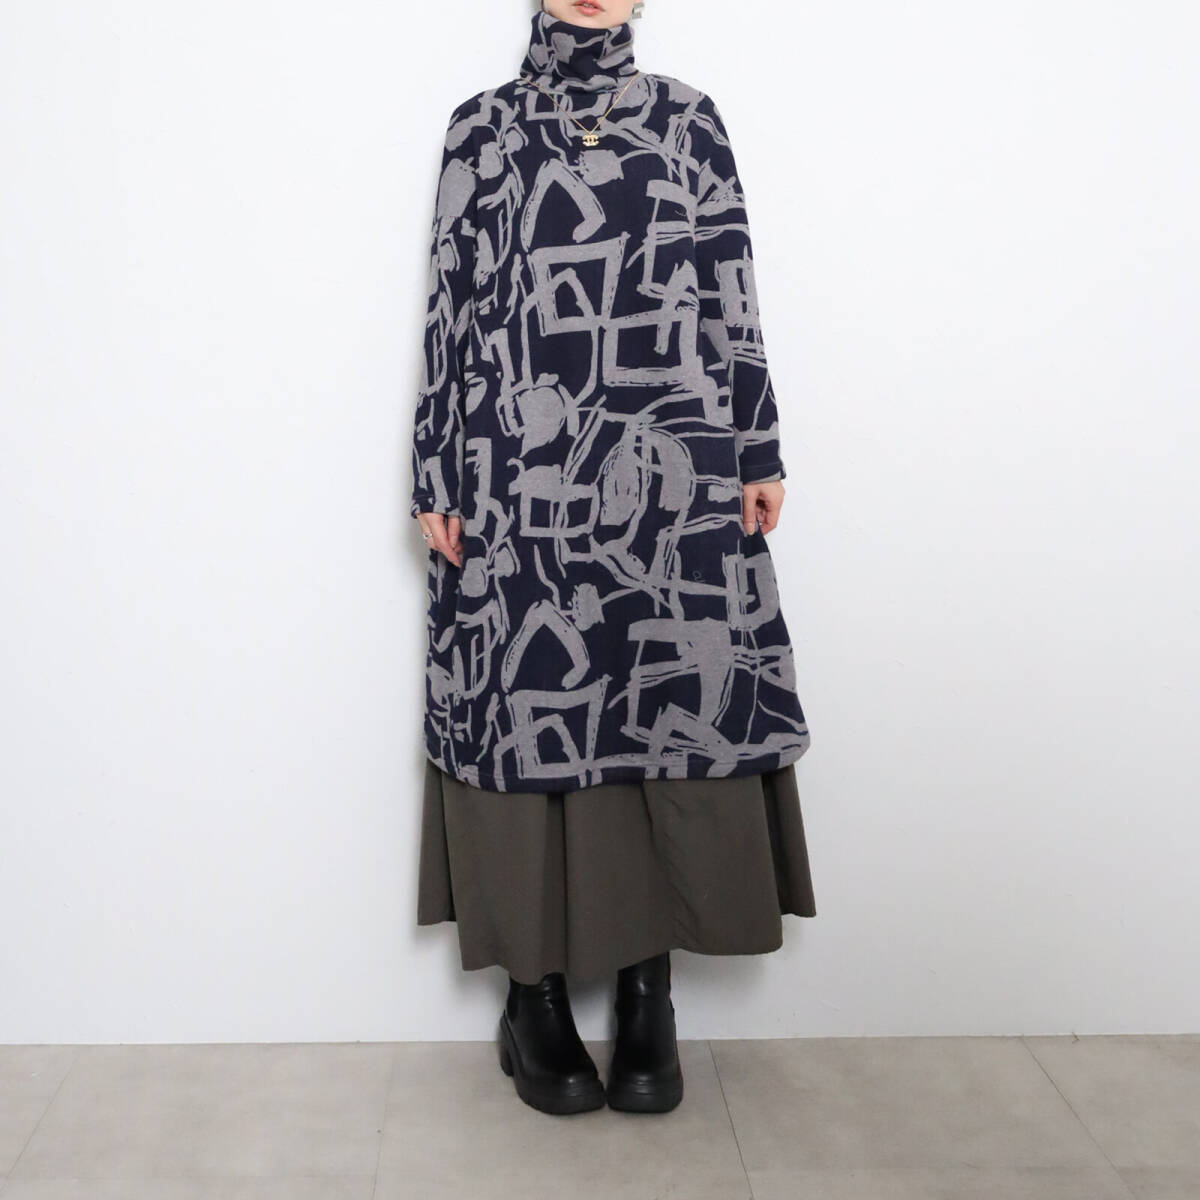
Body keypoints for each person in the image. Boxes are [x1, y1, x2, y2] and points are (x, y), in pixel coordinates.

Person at [410, 0, 817, 1116]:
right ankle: (533, 1001)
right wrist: (436, 469)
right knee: (528, 702)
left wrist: (758, 445)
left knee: (664, 694)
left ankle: (649, 993)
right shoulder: (481, 128)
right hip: (518, 479)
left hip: (673, 468)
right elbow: (451, 306)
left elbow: (732, 290)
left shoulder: (691, 121)